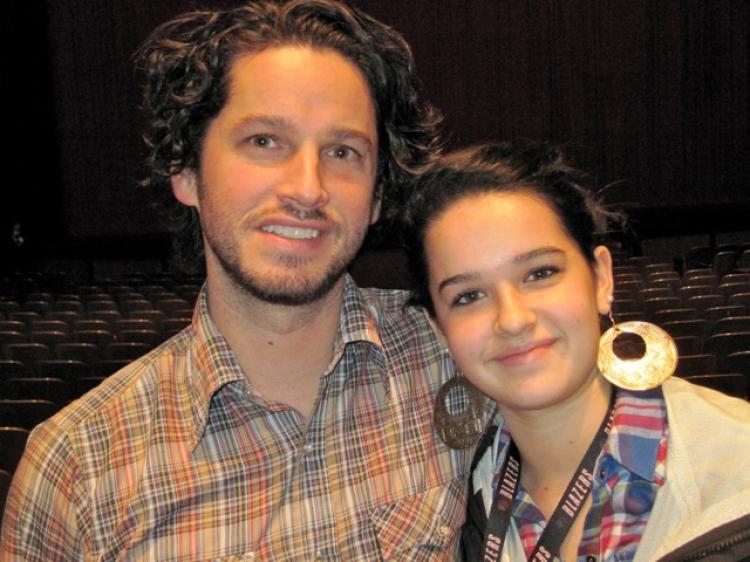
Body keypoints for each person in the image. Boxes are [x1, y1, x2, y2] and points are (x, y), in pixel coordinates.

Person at [1, 2, 489, 560]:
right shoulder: (74, 469)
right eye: (264, 141)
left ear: (376, 195)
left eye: (343, 151)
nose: (308, 188)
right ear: (186, 170)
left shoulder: (457, 358)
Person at [403, 141, 750, 561]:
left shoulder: (737, 465)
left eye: (540, 273)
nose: (512, 319)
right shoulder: (448, 501)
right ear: (439, 329)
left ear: (601, 278)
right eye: (469, 295)